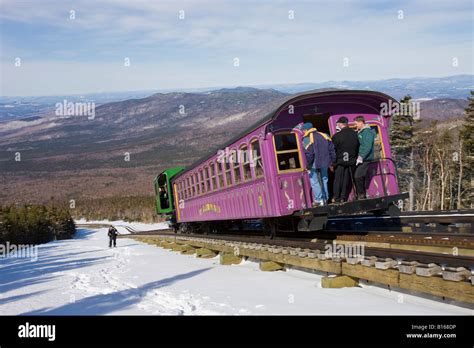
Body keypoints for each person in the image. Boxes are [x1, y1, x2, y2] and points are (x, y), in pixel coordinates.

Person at [303, 123, 336, 206]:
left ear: (306, 129)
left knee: (314, 181)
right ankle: (325, 198)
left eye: (303, 130)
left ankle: (319, 199)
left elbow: (309, 154)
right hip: (325, 162)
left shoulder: (307, 138)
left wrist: (308, 166)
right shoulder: (325, 135)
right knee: (324, 179)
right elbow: (332, 150)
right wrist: (332, 162)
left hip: (314, 163)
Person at [331, 116, 359, 203]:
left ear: (340, 124)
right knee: (346, 180)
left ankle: (336, 197)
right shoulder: (355, 134)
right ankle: (343, 197)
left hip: (340, 161)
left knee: (338, 180)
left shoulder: (337, 136)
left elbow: (333, 150)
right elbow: (357, 146)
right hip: (351, 161)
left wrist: (332, 163)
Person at [354, 115, 376, 199]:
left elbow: (367, 146)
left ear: (361, 122)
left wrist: (361, 157)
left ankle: (362, 194)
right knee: (359, 176)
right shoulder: (361, 132)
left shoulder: (367, 132)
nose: (356, 125)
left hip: (366, 159)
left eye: (356, 123)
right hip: (362, 158)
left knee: (358, 176)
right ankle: (361, 193)